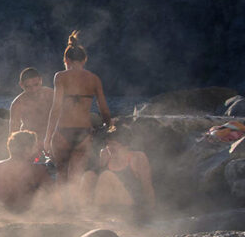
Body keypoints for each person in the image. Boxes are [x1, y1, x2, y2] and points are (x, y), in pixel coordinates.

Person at [44, 31, 111, 184]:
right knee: (76, 175)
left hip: (62, 130)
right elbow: (104, 110)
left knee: (61, 173)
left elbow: (56, 108)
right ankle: (76, 206)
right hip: (83, 132)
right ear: (85, 59)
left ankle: (61, 207)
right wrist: (110, 128)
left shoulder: (60, 77)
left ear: (66, 59)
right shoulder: (94, 79)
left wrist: (47, 137)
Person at [80, 125, 155, 217]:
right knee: (89, 175)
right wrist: (102, 164)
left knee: (107, 176)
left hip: (130, 205)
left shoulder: (137, 157)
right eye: (108, 144)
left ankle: (98, 215)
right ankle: (84, 211)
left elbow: (147, 186)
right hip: (107, 202)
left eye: (113, 145)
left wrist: (151, 211)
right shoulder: (106, 155)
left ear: (125, 145)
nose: (109, 148)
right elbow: (96, 183)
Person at [0, 130, 55, 214]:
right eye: (35, 147)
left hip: (1, 213)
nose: (37, 150)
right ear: (27, 149)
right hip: (26, 214)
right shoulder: (37, 169)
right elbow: (53, 194)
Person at [10, 67, 55, 152]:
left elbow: (64, 116)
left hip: (50, 138)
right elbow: (13, 132)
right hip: (30, 143)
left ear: (41, 80)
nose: (33, 90)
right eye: (28, 87)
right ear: (21, 85)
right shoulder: (18, 103)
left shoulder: (50, 95)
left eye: (36, 85)